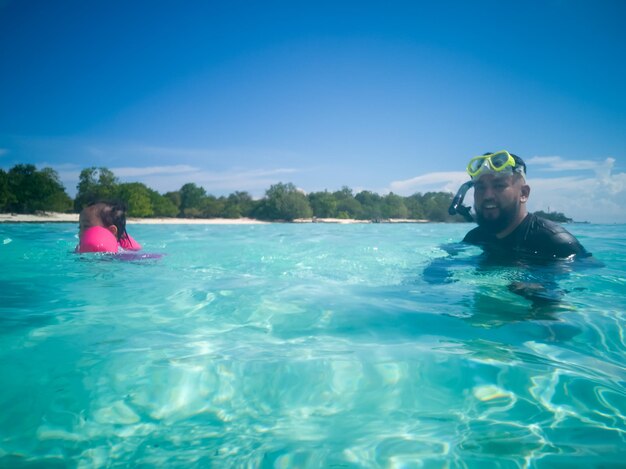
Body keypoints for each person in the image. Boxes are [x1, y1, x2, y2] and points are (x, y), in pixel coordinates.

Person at [460, 150, 590, 261]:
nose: (487, 195)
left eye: (499, 185)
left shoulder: (557, 243)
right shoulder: (475, 237)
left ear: (524, 193)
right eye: (480, 187)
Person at [77, 200, 141, 253]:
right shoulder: (80, 246)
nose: (80, 233)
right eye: (80, 227)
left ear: (111, 231)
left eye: (86, 226)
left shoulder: (122, 252)